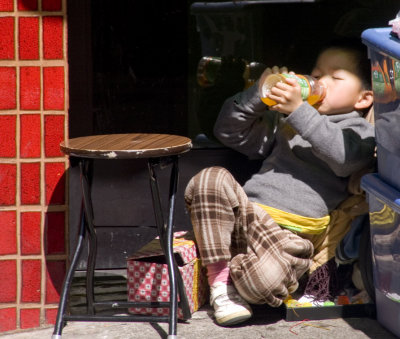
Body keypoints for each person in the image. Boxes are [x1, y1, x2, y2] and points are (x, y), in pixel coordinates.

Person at [184, 41, 375, 326]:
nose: (320, 81)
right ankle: (221, 283)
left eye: (335, 77)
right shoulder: (284, 123)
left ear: (363, 99)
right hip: (248, 216)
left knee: (264, 285)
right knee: (209, 179)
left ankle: (229, 273)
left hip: (290, 239)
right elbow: (226, 131)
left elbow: (342, 157)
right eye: (317, 72)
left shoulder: (359, 132)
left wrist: (299, 110)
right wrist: (258, 95)